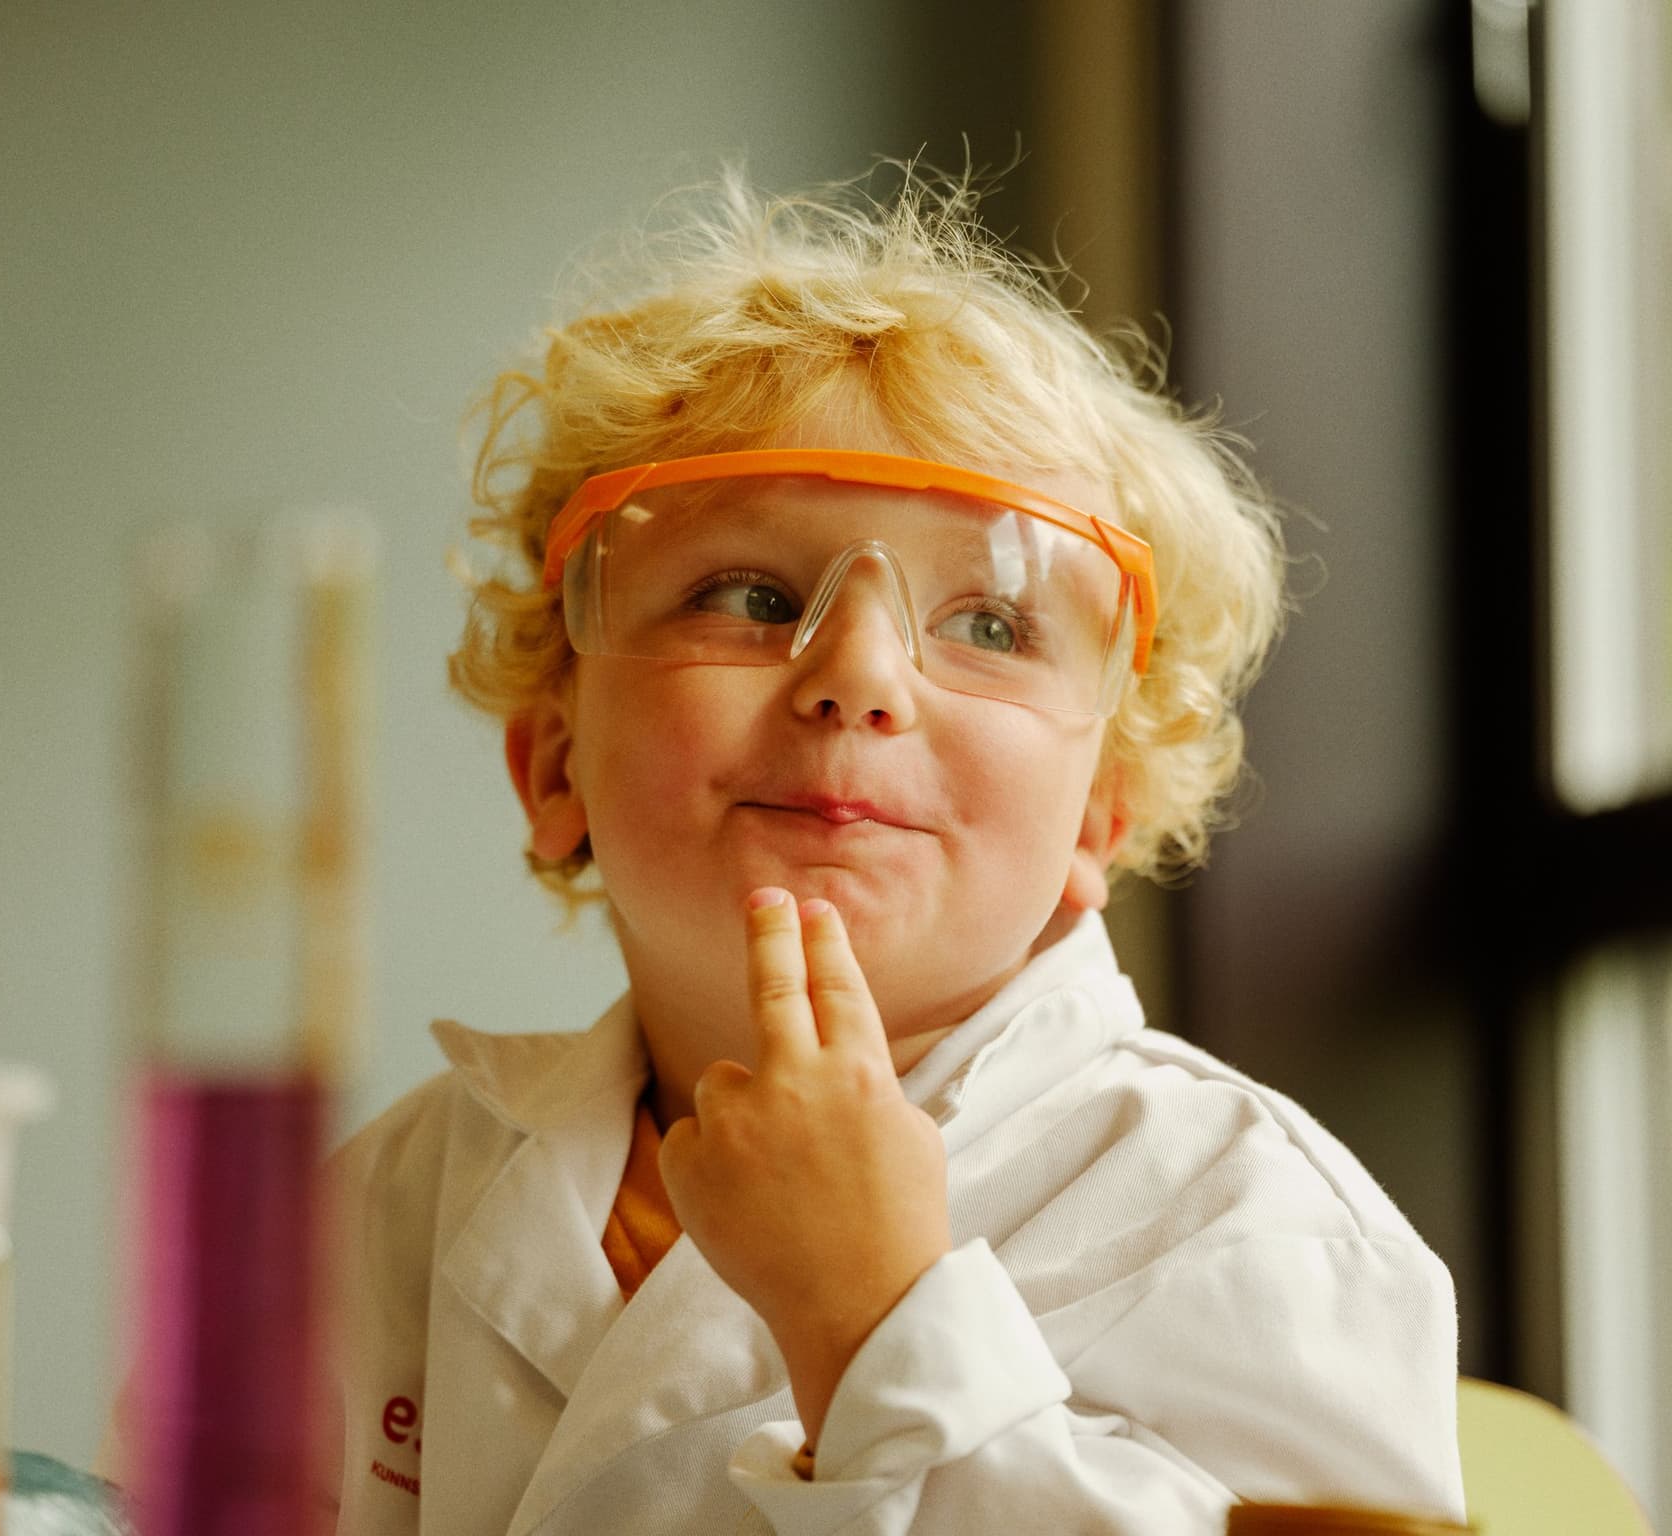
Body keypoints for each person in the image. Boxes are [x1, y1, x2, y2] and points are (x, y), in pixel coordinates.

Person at [330, 168, 1465, 1534]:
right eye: (750, 595)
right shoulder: (382, 1206)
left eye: (989, 626)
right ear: (555, 767)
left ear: (1099, 813)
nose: (858, 677)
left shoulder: (1244, 1221)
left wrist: (877, 1324)